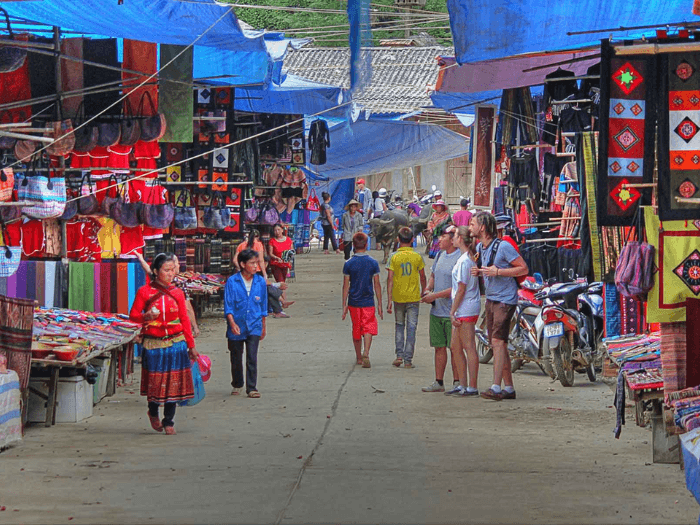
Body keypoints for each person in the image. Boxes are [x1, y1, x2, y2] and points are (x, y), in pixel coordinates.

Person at [129, 253, 198, 435]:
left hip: (176, 344)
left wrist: (191, 346)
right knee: (155, 383)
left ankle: (169, 420)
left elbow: (184, 319)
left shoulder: (178, 292)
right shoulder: (144, 292)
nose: (170, 274)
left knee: (173, 384)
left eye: (172, 270)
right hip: (153, 344)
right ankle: (153, 411)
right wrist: (146, 317)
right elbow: (133, 316)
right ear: (155, 271)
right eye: (166, 270)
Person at [469, 211, 528, 401]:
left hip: (505, 299)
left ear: (483, 227)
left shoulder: (503, 246)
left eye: (472, 224)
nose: (470, 227)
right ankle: (509, 388)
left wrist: (499, 271)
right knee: (498, 343)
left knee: (498, 342)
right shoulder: (481, 247)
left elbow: (523, 268)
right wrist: (481, 272)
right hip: (492, 298)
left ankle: (496, 386)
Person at [419, 226, 462, 392]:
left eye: (442, 237)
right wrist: (428, 289)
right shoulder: (439, 255)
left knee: (455, 349)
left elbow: (458, 288)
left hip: (453, 312)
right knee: (439, 347)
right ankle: (439, 381)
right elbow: (433, 275)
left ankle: (458, 381)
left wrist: (434, 296)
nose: (439, 241)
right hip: (437, 311)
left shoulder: (461, 258)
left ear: (452, 240)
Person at [225, 249, 268, 398]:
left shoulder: (260, 281)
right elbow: (228, 305)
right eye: (252, 263)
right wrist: (231, 323)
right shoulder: (232, 281)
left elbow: (263, 306)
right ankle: (237, 383)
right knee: (236, 357)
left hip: (254, 324)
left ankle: (252, 387)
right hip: (236, 325)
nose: (256, 266)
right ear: (243, 264)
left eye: (256, 263)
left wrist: (263, 326)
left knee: (252, 356)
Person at [444, 225, 481, 396]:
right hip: (464, 307)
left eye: (455, 235)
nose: (452, 238)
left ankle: (471, 385)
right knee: (456, 347)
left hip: (465, 307)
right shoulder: (466, 259)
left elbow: (461, 289)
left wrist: (452, 311)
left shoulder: (465, 261)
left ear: (461, 239)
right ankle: (463, 384)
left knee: (468, 346)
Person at [135, 251, 200, 338]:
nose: (179, 265)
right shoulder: (178, 284)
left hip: (174, 337)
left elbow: (184, 315)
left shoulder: (166, 281)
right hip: (160, 338)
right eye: (176, 263)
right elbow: (187, 308)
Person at [387, 227, 426, 369]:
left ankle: (399, 355)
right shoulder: (417, 257)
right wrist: (424, 291)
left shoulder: (393, 257)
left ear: (398, 239)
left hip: (398, 298)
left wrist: (389, 299)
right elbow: (422, 276)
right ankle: (408, 360)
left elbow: (390, 279)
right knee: (411, 328)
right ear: (412, 240)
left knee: (399, 326)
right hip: (414, 297)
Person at [342, 232, 382, 368]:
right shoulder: (372, 263)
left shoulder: (349, 264)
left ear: (353, 245)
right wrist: (380, 304)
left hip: (353, 302)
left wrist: (344, 305)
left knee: (356, 329)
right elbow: (377, 284)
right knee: (368, 327)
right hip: (368, 302)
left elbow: (346, 286)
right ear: (366, 245)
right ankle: (366, 352)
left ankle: (359, 357)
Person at [268, 223, 294, 307]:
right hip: (275, 264)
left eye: (279, 230)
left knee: (282, 282)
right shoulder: (272, 241)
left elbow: (292, 251)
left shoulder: (288, 240)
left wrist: (289, 258)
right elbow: (270, 253)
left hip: (285, 264)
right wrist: (276, 258)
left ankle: (282, 301)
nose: (277, 232)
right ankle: (284, 301)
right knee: (281, 282)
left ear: (282, 230)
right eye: (275, 230)